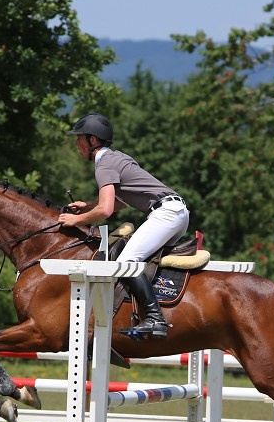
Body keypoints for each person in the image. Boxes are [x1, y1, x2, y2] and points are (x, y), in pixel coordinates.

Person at [59, 113, 189, 339]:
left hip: (166, 214)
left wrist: (76, 219)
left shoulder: (104, 165)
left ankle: (155, 319)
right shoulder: (117, 158)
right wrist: (88, 205)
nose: (76, 143)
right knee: (139, 260)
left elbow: (106, 210)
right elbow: (123, 202)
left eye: (79, 138)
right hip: (176, 212)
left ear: (92, 140)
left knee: (126, 262)